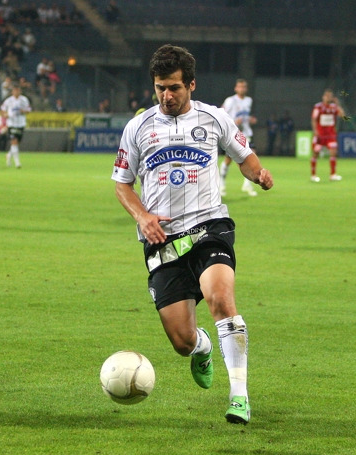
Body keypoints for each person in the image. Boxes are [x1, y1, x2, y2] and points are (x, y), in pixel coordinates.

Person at [112, 44, 273, 425]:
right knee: (182, 341)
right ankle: (202, 347)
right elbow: (122, 183)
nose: (166, 96)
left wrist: (258, 174)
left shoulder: (215, 119)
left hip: (208, 225)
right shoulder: (138, 127)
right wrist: (142, 216)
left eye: (174, 88)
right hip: (161, 240)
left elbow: (244, 157)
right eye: (159, 88)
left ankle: (239, 397)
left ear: (191, 85)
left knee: (220, 298)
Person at [220, 79, 258, 197]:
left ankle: (247, 184)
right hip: (234, 134)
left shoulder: (248, 100)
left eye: (244, 87)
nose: (242, 89)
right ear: (236, 88)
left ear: (246, 89)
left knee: (252, 156)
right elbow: (221, 115)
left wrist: (250, 119)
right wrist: (234, 121)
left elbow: (245, 115)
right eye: (239, 87)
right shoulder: (230, 100)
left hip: (246, 133)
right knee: (228, 160)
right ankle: (221, 184)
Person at [310, 89, 344, 182]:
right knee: (315, 154)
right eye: (327, 96)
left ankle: (333, 175)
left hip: (330, 135)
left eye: (330, 96)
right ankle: (313, 175)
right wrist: (315, 130)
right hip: (320, 135)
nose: (329, 98)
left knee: (333, 152)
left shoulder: (334, 107)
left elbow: (342, 115)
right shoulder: (318, 107)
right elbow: (314, 119)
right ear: (323, 97)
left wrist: (338, 104)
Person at [0, 84, 32, 168]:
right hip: (12, 123)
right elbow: (2, 110)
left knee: (16, 143)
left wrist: (23, 111)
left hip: (21, 123)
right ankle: (17, 163)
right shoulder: (8, 100)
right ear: (12, 91)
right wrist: (5, 114)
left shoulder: (24, 100)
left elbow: (29, 110)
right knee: (13, 141)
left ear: (20, 91)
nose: (16, 92)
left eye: (18, 90)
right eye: (15, 90)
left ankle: (9, 156)